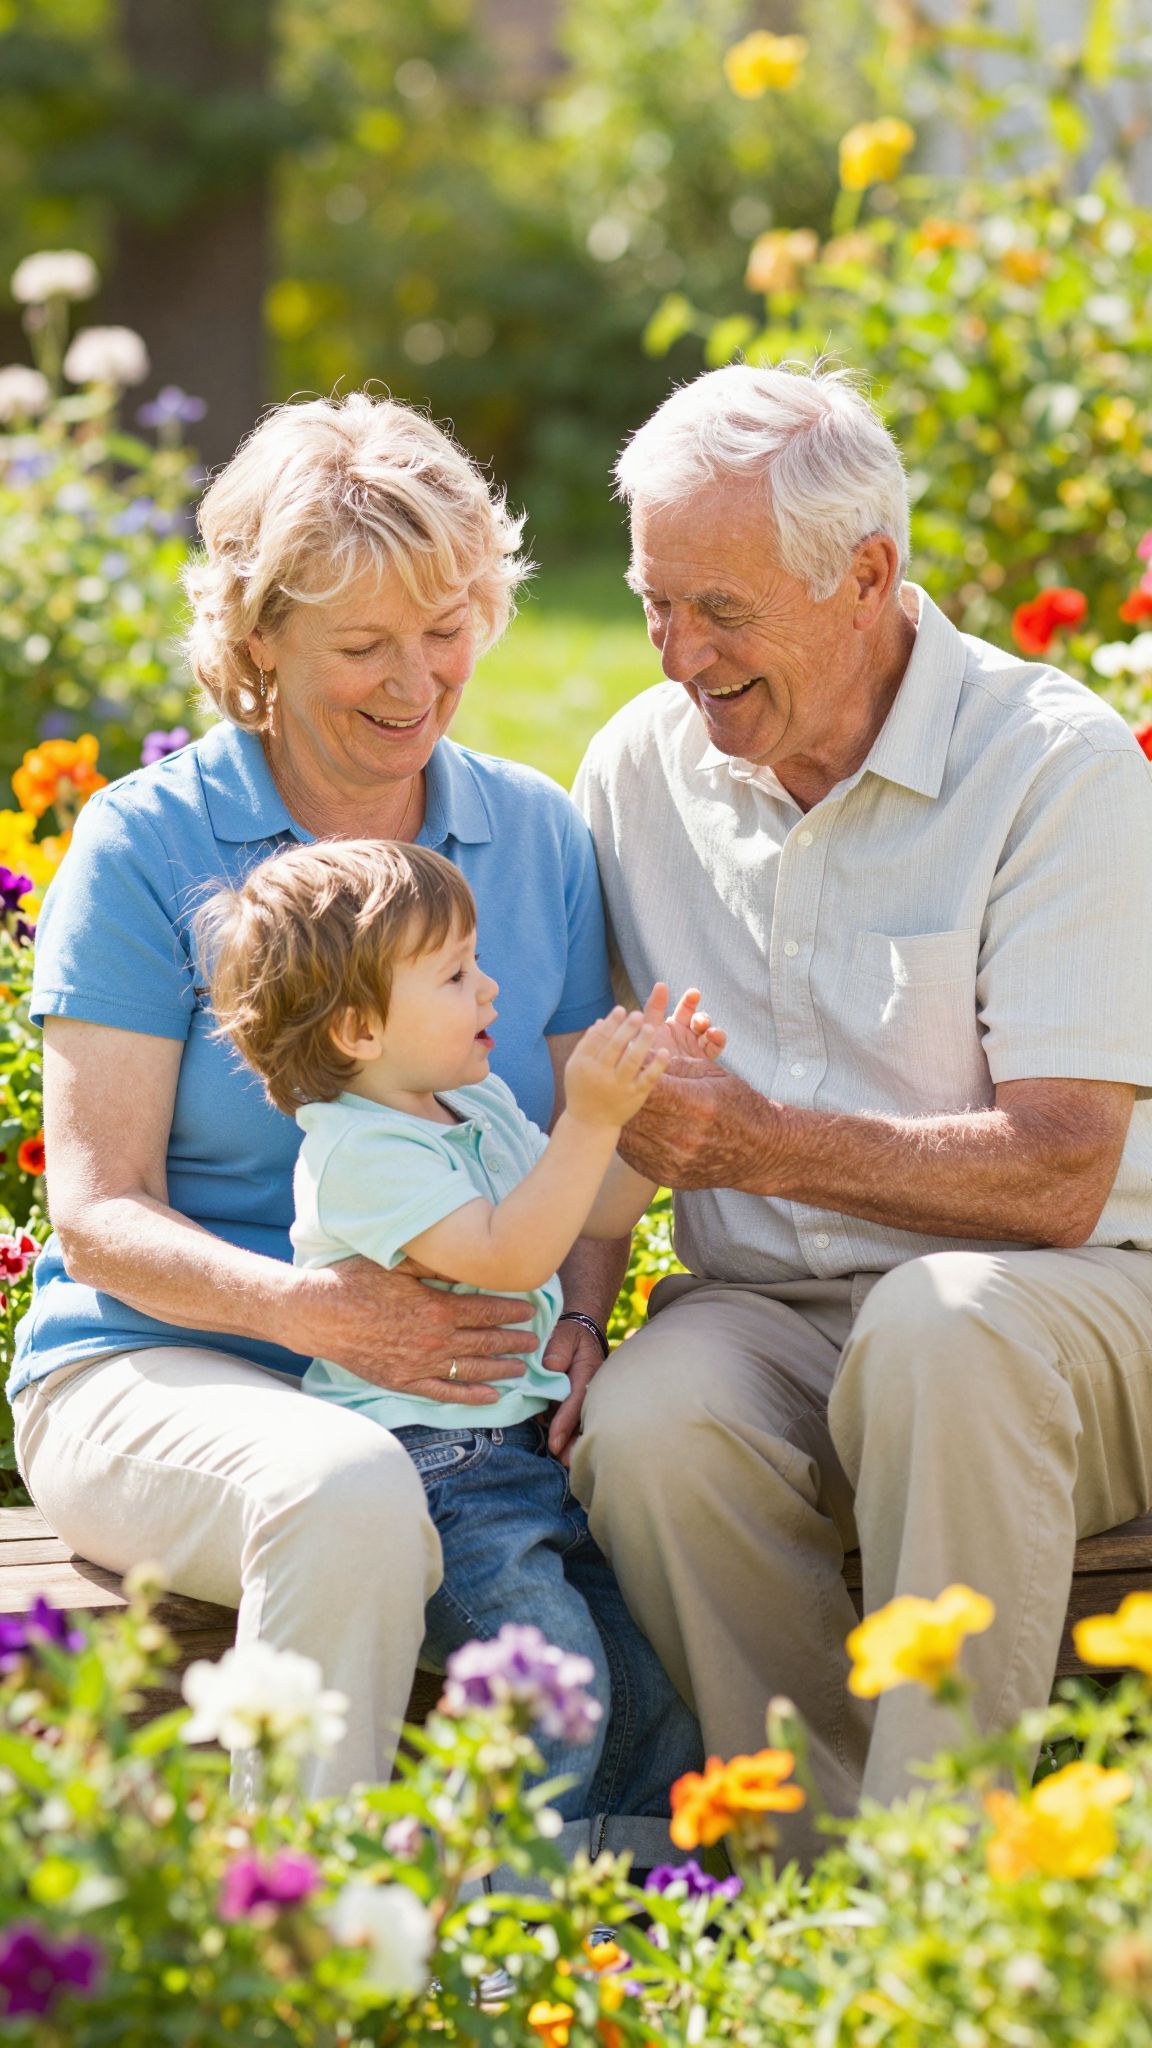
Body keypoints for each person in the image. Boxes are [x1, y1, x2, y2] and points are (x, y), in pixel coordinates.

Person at [8, 391, 640, 1800]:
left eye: (448, 626)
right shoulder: (145, 844)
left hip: (463, 1404)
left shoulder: (530, 830)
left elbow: (579, 1125)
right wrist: (313, 1314)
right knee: (345, 1490)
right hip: (154, 1364)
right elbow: (102, 1215)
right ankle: (303, 1958)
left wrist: (587, 1317)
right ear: (257, 643)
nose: (417, 678)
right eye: (363, 644)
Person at [569, 360, 1152, 1857]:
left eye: (722, 610)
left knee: (940, 1331)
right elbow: (611, 1101)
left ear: (868, 575)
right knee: (648, 1421)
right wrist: (575, 1316)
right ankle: (810, 1888)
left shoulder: (1052, 765)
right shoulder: (640, 771)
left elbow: (1063, 1174)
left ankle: (938, 1897)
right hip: (771, 1306)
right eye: (654, 601)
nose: (677, 653)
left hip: (1066, 1303)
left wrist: (756, 1141)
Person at [199, 836, 708, 1829]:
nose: (490, 989)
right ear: (355, 1027)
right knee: (545, 1687)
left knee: (646, 1682)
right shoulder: (358, 1151)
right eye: (455, 973)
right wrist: (589, 1117)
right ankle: (501, 1928)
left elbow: (591, 1214)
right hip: (443, 1477)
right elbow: (514, 1251)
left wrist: (644, 1112)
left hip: (526, 1456)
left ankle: (632, 1902)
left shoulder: (470, 1101)